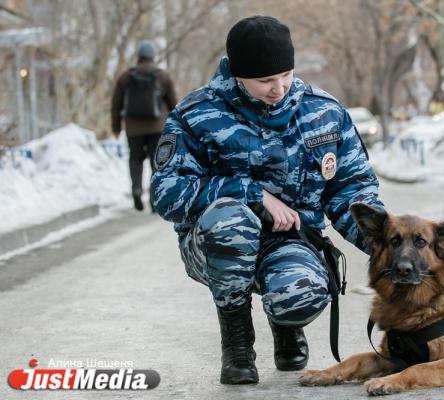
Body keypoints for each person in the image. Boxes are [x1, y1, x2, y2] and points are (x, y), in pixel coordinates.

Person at [151, 16, 385, 385]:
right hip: (216, 243)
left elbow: (350, 189)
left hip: (292, 240)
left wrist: (388, 242)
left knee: (301, 294)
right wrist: (252, 194)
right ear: (238, 75)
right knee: (232, 218)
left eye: (286, 75)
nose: (278, 88)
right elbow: (166, 195)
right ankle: (237, 337)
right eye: (264, 81)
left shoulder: (322, 112)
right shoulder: (196, 115)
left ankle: (286, 324)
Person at [111, 41, 177, 211]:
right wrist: (177, 126)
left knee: (135, 160)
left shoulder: (125, 77)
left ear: (138, 57)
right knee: (157, 163)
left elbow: (116, 104)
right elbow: (173, 104)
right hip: (157, 128)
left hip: (133, 128)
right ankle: (155, 199)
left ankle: (137, 189)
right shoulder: (163, 76)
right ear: (153, 57)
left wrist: (116, 127)